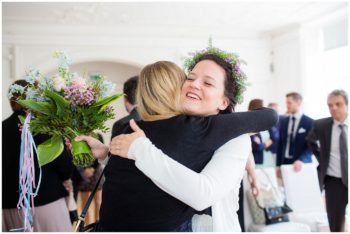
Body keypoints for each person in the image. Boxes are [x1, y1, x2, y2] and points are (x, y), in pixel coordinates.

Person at [76, 49, 277, 231]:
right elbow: (145, 182)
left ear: (224, 101)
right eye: (190, 78)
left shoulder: (233, 138)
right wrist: (108, 155)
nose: (194, 85)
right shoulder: (165, 128)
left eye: (207, 83)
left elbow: (202, 194)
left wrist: (139, 149)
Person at [2, 80, 74, 232]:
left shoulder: (2, 129)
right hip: (47, 202)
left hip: (9, 207)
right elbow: (64, 166)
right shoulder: (44, 126)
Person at [306, 89, 348, 232]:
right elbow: (310, 141)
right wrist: (322, 158)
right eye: (330, 105)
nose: (334, 108)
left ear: (346, 105)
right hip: (334, 181)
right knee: (336, 223)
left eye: (338, 104)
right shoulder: (321, 125)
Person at [276, 92, 313, 177]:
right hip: (285, 163)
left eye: (289, 103)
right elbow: (280, 144)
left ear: (298, 103)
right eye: (286, 103)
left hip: (301, 164)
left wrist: (301, 160)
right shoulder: (284, 122)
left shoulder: (310, 122)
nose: (287, 105)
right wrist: (278, 166)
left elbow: (311, 147)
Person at [77, 134, 105, 225]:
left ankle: (98, 223)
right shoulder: (78, 137)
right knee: (85, 203)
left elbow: (102, 154)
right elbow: (76, 155)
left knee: (98, 201)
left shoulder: (98, 136)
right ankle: (88, 225)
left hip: (96, 171)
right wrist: (84, 169)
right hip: (83, 172)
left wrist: (92, 168)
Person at [248, 99, 273, 166]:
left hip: (268, 158)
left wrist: (263, 144)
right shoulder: (250, 125)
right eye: (264, 107)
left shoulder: (265, 123)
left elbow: (274, 139)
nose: (267, 109)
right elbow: (256, 147)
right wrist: (267, 143)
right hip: (256, 162)